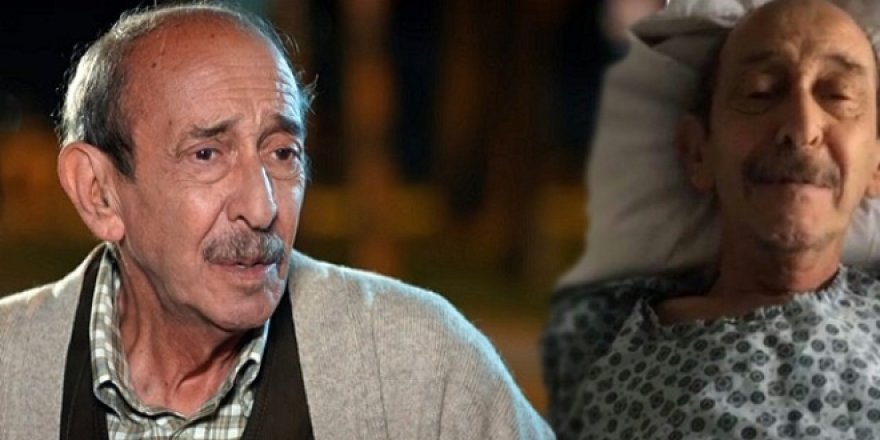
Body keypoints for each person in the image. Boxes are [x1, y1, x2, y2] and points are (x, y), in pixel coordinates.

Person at [0, 3, 554, 439]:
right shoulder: (10, 370)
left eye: (282, 153)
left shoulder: (419, 365)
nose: (263, 208)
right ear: (98, 193)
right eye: (206, 155)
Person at [542, 0, 880, 438]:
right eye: (760, 92)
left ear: (876, 165)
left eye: (838, 95)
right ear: (698, 153)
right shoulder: (608, 348)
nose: (801, 126)